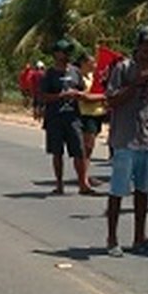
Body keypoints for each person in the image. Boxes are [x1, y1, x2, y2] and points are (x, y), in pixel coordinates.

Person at [104, 25, 148, 257]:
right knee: (118, 190)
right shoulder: (122, 68)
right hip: (124, 138)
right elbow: (111, 100)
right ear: (139, 44)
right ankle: (112, 238)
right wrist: (134, 86)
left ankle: (139, 236)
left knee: (143, 191)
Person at [39, 39, 95, 195]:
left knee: (79, 151)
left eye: (69, 52)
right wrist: (60, 96)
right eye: (64, 52)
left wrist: (77, 94)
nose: (67, 55)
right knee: (57, 152)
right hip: (55, 118)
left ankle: (83, 184)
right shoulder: (49, 74)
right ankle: (59, 184)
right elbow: (43, 96)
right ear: (56, 54)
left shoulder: (75, 71)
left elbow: (84, 92)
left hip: (73, 118)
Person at [76, 52, 107, 183]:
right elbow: (84, 97)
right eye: (91, 62)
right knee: (86, 148)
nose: (94, 65)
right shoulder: (78, 78)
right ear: (84, 63)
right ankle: (83, 178)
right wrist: (104, 96)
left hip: (98, 114)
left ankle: (85, 176)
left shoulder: (92, 76)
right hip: (86, 114)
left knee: (89, 148)